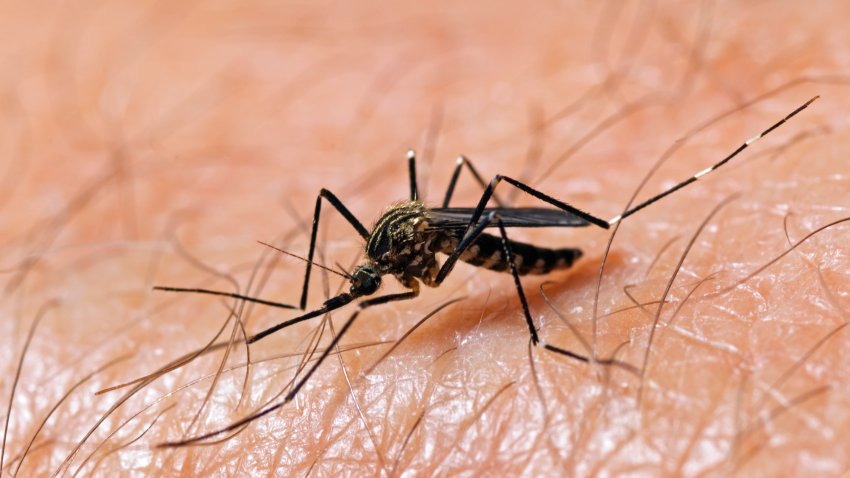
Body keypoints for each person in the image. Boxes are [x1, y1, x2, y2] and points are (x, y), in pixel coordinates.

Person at [2, 1, 847, 475]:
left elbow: (434, 249)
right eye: (360, 285)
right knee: (426, 197)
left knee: (483, 193)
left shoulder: (408, 258)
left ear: (379, 270)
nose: (359, 295)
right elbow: (359, 281)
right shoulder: (377, 260)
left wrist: (536, 255)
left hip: (500, 243)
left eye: (359, 287)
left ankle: (605, 240)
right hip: (443, 243)